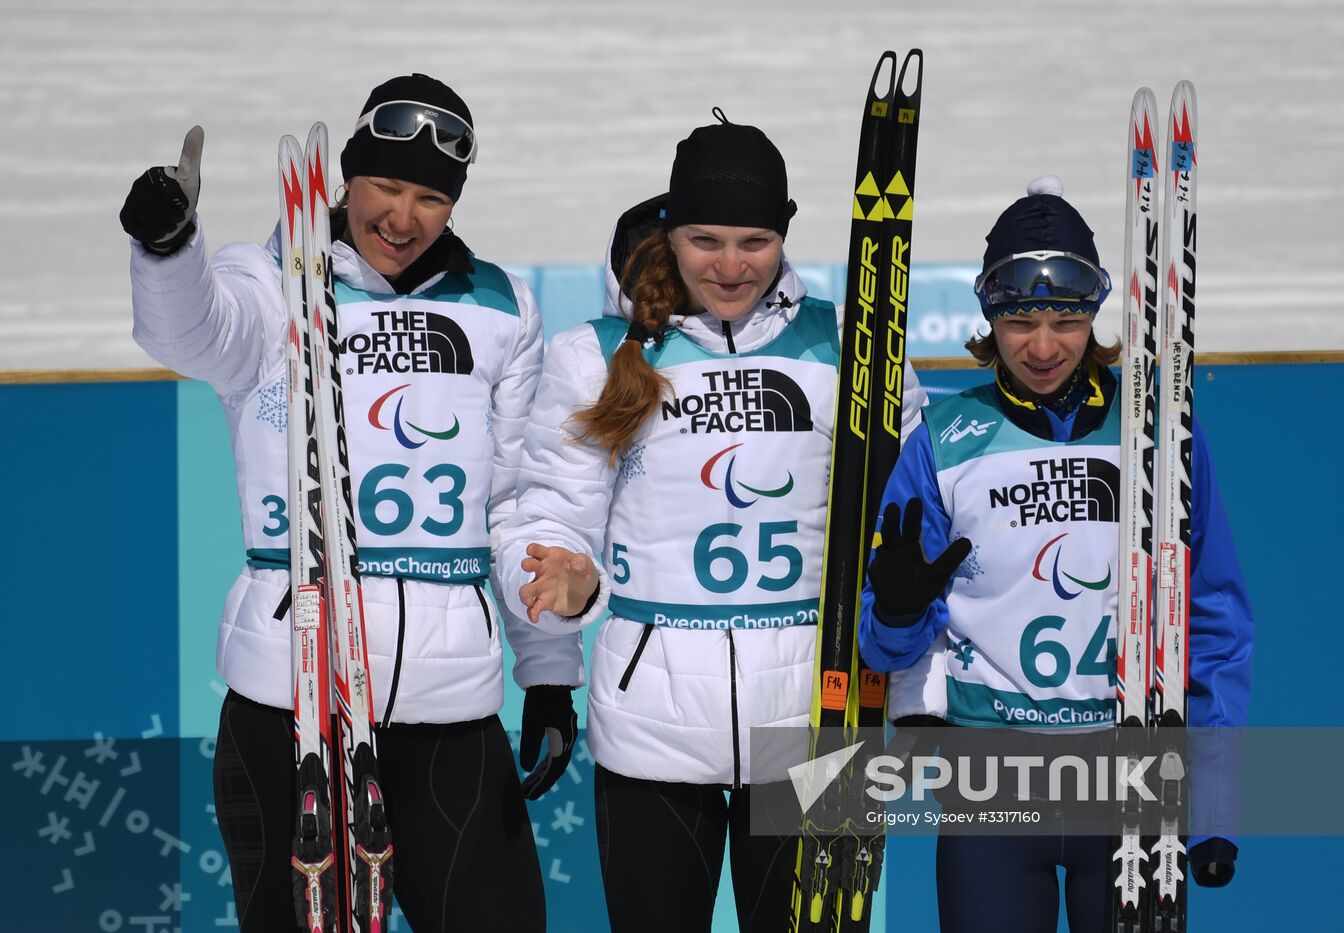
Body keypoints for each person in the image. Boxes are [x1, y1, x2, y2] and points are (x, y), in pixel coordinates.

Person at [120, 73, 582, 932]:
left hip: (449, 707)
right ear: (348, 179)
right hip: (290, 698)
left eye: (431, 197)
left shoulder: (501, 307)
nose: (403, 217)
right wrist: (169, 249)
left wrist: (548, 671)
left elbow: (517, 502)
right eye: (388, 187)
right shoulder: (267, 282)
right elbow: (190, 334)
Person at [495, 112, 928, 933]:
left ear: (784, 235)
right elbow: (547, 512)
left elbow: (906, 536)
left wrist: (912, 699)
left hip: (819, 709)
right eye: (706, 239)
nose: (730, 266)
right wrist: (561, 610)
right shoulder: (599, 352)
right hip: (653, 719)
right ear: (671, 230)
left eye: (754, 241)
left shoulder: (851, 344)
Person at [857, 176, 1254, 933]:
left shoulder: (1158, 434)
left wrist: (1212, 808)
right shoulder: (944, 444)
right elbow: (885, 642)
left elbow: (1212, 621)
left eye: (1065, 320)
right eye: (1020, 321)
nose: (1043, 346)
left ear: (1095, 313)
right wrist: (901, 610)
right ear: (989, 319)